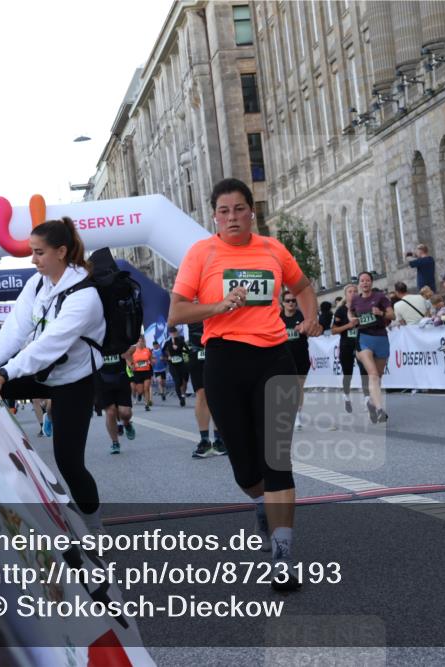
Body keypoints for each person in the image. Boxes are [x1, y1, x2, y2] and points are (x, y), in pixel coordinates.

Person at [168, 177, 321, 591]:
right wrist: (218, 305)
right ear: (214, 216)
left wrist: (311, 316)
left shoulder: (273, 249)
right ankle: (259, 503)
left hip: (274, 358)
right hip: (223, 361)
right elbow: (176, 313)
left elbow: (303, 287)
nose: (232, 217)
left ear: (252, 211)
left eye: (239, 209)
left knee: (277, 460)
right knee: (245, 467)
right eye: (223, 211)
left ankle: (283, 556)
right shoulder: (201, 253)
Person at [0, 217, 107, 530]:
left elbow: (46, 347)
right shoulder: (37, 283)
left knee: (69, 463)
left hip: (74, 380)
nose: (32, 260)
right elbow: (13, 332)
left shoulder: (85, 296)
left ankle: (94, 526)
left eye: (39, 253)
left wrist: (3, 374)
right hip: (42, 373)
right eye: (31, 252)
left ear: (61, 252)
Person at [351, 271, 394, 423]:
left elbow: (392, 315)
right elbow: (350, 313)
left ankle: (371, 402)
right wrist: (353, 320)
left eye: (367, 280)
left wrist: (380, 312)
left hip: (381, 338)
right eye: (362, 281)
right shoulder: (355, 300)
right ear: (359, 283)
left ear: (371, 282)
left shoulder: (380, 297)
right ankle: (380, 409)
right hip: (364, 339)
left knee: (378, 376)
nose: (365, 283)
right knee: (373, 375)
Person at [187, 319, 227, 458]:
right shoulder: (188, 298)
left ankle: (219, 440)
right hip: (197, 349)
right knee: (202, 393)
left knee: (219, 393)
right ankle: (204, 440)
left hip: (219, 345)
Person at [331, 282, 370, 413]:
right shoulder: (340, 311)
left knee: (364, 371)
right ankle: (346, 396)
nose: (353, 293)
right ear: (345, 295)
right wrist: (348, 326)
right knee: (348, 373)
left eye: (355, 291)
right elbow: (334, 330)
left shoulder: (361, 307)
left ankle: (367, 399)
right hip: (346, 345)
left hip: (360, 344)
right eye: (350, 292)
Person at [280, 290, 312, 430]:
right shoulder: (278, 318)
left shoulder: (302, 316)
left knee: (298, 387)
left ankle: (297, 415)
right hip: (283, 357)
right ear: (283, 303)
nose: (291, 303)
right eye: (288, 301)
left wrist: (305, 328)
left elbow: (314, 331)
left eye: (293, 300)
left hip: (301, 356)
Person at [95, 348, 135, 454]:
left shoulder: (118, 336)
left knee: (125, 413)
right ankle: (115, 442)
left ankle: (126, 423)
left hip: (121, 378)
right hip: (102, 380)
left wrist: (127, 353)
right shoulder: (96, 336)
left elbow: (133, 346)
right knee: (111, 412)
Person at [162, 325, 190, 407]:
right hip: (172, 365)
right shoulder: (168, 343)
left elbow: (187, 350)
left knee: (184, 380)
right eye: (172, 333)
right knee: (178, 382)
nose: (173, 334)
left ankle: (183, 395)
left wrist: (181, 349)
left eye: (175, 332)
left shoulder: (180, 341)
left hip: (181, 364)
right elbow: (163, 351)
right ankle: (181, 399)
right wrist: (168, 357)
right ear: (170, 334)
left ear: (177, 333)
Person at [129, 336, 154, 411]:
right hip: (137, 372)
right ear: (136, 343)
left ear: (144, 342)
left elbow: (151, 358)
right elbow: (128, 358)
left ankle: (146, 404)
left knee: (146, 388)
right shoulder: (133, 351)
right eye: (139, 342)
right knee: (140, 390)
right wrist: (131, 365)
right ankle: (140, 394)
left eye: (142, 341)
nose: (140, 343)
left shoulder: (147, 350)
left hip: (147, 371)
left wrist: (152, 361)